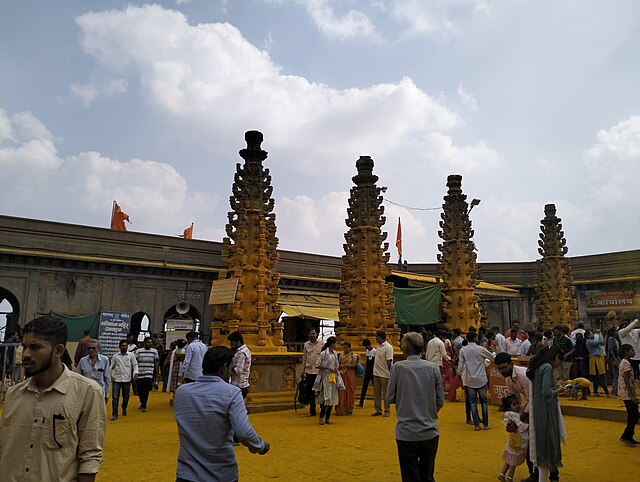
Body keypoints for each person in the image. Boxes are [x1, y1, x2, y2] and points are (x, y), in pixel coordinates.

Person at [0, 315, 106, 481]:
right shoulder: (14, 394)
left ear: (58, 351)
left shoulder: (87, 392)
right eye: (24, 347)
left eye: (35, 347)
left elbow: (90, 458)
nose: (26, 354)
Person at [174, 346, 270, 482]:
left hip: (187, 472)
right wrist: (259, 445)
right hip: (221, 472)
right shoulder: (232, 393)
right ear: (225, 368)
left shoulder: (182, 392)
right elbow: (243, 431)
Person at [386, 332, 444, 482]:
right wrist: (428, 411)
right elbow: (440, 401)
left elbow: (389, 397)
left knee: (410, 476)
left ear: (404, 348)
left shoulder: (397, 368)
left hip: (406, 432)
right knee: (427, 475)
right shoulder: (433, 368)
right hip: (429, 431)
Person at [526, 346, 567, 482]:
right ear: (555, 357)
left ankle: (542, 475)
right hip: (547, 410)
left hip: (538, 410)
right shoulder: (547, 368)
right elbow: (546, 393)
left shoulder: (538, 367)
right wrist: (559, 390)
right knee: (550, 441)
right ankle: (553, 474)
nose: (559, 364)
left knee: (541, 441)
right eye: (559, 361)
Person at [458, 331, 495, 430]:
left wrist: (459, 374)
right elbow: (493, 358)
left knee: (473, 402)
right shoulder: (481, 349)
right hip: (481, 378)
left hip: (470, 379)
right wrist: (493, 351)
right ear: (475, 338)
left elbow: (460, 365)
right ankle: (486, 425)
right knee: (484, 402)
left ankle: (476, 425)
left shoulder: (463, 350)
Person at [498, 394, 529, 482]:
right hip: (518, 440)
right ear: (509, 407)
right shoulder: (513, 414)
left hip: (512, 439)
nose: (517, 406)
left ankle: (502, 474)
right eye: (514, 404)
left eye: (517, 403)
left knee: (509, 459)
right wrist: (528, 426)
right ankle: (510, 477)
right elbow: (519, 424)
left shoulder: (508, 414)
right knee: (513, 461)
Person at [313, 336, 340, 425]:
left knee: (333, 396)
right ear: (332, 344)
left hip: (333, 377)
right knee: (327, 396)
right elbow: (317, 365)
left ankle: (327, 418)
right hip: (326, 377)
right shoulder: (324, 354)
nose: (337, 345)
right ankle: (322, 417)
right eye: (336, 343)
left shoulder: (335, 353)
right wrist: (327, 368)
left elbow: (336, 364)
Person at [110, 338, 138, 421]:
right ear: (119, 347)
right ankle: (114, 414)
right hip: (117, 379)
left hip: (127, 379)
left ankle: (124, 407)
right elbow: (111, 367)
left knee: (126, 397)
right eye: (123, 346)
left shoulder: (131, 356)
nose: (124, 347)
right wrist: (111, 374)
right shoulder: (115, 356)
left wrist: (135, 373)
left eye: (126, 346)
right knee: (115, 397)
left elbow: (135, 365)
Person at [76, 338, 110, 403]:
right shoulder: (82, 361)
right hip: (86, 393)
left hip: (100, 392)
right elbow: (78, 378)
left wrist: (107, 394)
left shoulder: (105, 360)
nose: (91, 350)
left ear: (99, 349)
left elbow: (107, 378)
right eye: (89, 348)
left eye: (93, 348)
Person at [617, 343, 639, 447]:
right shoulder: (625, 363)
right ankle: (626, 436)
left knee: (634, 414)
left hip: (626, 392)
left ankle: (629, 436)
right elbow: (626, 379)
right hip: (627, 393)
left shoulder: (625, 362)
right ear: (626, 352)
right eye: (631, 350)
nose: (633, 352)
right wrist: (632, 395)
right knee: (633, 415)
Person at [372, 330, 394, 417]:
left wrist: (391, 373)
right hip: (376, 373)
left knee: (386, 393)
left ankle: (387, 410)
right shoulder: (378, 346)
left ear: (380, 337)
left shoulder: (388, 347)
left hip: (385, 374)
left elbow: (389, 361)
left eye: (376, 336)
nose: (375, 338)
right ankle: (378, 409)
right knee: (376, 393)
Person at [301, 328, 323, 417]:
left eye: (313, 333)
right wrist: (303, 371)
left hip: (319, 371)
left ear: (316, 334)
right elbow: (304, 358)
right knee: (310, 391)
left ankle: (323, 407)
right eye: (310, 333)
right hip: (309, 371)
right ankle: (312, 410)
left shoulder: (322, 344)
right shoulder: (306, 345)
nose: (312, 335)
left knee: (321, 389)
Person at [135, 336, 160, 412]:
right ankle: (142, 401)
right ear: (144, 343)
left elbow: (156, 362)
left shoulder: (154, 351)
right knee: (139, 390)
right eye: (148, 342)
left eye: (151, 342)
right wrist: (134, 372)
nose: (150, 344)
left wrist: (157, 372)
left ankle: (144, 405)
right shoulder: (138, 351)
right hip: (140, 373)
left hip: (149, 373)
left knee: (146, 389)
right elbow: (135, 362)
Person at [585, 329, 609, 396]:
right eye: (590, 333)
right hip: (595, 359)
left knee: (596, 377)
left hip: (598, 358)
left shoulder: (592, 341)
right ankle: (607, 392)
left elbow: (603, 343)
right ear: (587, 336)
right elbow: (601, 341)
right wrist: (599, 333)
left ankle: (595, 392)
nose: (592, 334)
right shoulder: (589, 342)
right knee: (601, 376)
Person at [228, 331, 251, 399]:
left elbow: (238, 370)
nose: (231, 346)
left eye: (232, 344)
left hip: (239, 385)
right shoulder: (243, 350)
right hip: (238, 384)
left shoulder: (242, 353)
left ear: (238, 342)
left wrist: (230, 367)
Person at [336, 341, 357, 416]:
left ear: (350, 348)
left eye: (346, 348)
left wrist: (345, 365)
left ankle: (349, 409)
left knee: (350, 391)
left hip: (350, 374)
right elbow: (338, 364)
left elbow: (353, 365)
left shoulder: (353, 355)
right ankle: (341, 409)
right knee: (341, 391)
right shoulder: (341, 355)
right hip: (342, 374)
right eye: (344, 348)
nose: (345, 349)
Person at [357, 338, 376, 408]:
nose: (366, 348)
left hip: (373, 372)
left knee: (376, 388)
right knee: (364, 387)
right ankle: (361, 402)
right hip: (367, 372)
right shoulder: (367, 351)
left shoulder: (375, 351)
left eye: (366, 346)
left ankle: (377, 403)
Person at [606, 327, 621, 395]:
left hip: (616, 357)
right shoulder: (611, 339)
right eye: (615, 331)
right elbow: (610, 349)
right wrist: (615, 358)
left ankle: (616, 389)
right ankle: (614, 390)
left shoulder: (616, 339)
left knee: (617, 374)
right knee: (616, 374)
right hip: (613, 358)